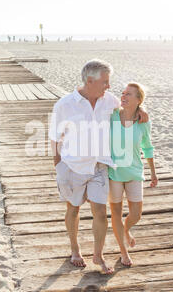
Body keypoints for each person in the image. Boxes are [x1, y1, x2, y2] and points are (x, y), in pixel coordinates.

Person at [49, 60, 149, 274]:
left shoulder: (109, 101)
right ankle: (75, 250)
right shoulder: (65, 105)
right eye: (105, 82)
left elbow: (129, 109)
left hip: (99, 167)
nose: (109, 86)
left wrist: (141, 112)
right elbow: (54, 138)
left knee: (100, 213)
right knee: (73, 209)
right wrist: (58, 168)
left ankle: (98, 255)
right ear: (90, 81)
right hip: (72, 167)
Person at [109, 83, 158, 267]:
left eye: (128, 94)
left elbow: (148, 147)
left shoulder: (143, 122)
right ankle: (123, 252)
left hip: (135, 172)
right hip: (113, 172)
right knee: (116, 213)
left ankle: (126, 230)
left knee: (136, 214)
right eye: (123, 93)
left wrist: (153, 173)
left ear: (139, 100)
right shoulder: (112, 115)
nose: (123, 96)